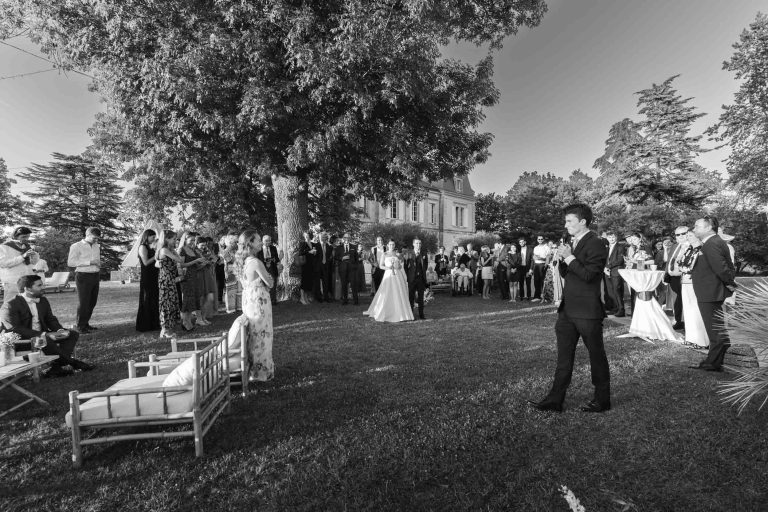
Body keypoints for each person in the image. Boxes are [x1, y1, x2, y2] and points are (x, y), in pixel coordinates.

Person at [529, 203, 611, 413]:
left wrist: (569, 257)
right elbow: (570, 275)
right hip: (568, 310)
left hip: (587, 311)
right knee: (563, 358)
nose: (566, 225)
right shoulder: (572, 243)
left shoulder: (597, 243)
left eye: (569, 221)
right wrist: (562, 262)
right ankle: (555, 399)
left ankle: (602, 399)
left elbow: (589, 276)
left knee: (596, 356)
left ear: (582, 221)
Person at [1, 274, 95, 377]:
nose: (43, 288)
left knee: (72, 334)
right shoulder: (10, 305)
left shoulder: (43, 300)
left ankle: (56, 368)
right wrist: (44, 335)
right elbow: (16, 329)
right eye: (39, 285)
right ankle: (75, 363)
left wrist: (59, 330)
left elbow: (50, 319)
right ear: (27, 289)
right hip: (22, 341)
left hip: (43, 336)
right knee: (45, 340)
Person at [689, 216, 737, 372]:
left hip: (710, 292)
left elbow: (722, 268)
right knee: (716, 327)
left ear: (709, 227)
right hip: (709, 291)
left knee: (714, 329)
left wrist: (730, 283)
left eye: (697, 226)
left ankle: (714, 363)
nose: (694, 229)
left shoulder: (712, 243)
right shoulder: (712, 242)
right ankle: (718, 358)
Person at [234, 230, 274, 381]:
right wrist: (271, 277)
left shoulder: (242, 262)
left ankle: (254, 371)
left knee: (253, 335)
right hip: (259, 301)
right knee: (263, 335)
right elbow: (269, 283)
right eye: (257, 240)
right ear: (250, 242)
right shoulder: (256, 262)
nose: (260, 242)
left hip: (248, 300)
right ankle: (261, 373)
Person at [364, 239, 414, 322]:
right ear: (387, 245)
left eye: (393, 244)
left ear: (395, 245)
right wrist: (388, 268)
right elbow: (381, 266)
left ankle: (401, 312)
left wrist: (397, 266)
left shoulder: (398, 254)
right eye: (390, 244)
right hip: (388, 274)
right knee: (387, 292)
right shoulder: (385, 254)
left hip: (397, 275)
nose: (392, 246)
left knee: (398, 292)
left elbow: (401, 266)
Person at [67, 227, 102, 333]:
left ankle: (86, 324)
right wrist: (90, 262)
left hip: (95, 275)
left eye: (98, 238)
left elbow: (97, 260)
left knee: (92, 302)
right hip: (83, 276)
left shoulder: (96, 246)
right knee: (84, 302)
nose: (96, 240)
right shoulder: (76, 246)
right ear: (88, 235)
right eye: (94, 238)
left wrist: (98, 265)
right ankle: (80, 326)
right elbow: (71, 262)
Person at [677, 231, 708, 348]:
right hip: (685, 282)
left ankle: (701, 340)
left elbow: (695, 266)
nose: (686, 237)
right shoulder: (688, 249)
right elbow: (679, 263)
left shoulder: (702, 249)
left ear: (697, 236)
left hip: (695, 282)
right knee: (688, 310)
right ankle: (691, 338)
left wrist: (684, 268)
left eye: (689, 235)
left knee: (696, 310)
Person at [177, 231, 208, 330]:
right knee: (187, 299)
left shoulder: (193, 250)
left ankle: (188, 321)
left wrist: (202, 264)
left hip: (195, 277)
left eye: (194, 240)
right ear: (185, 240)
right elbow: (181, 265)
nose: (193, 242)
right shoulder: (182, 250)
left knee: (193, 299)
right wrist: (195, 261)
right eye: (191, 240)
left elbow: (195, 266)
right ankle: (185, 322)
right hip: (186, 278)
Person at [155, 230, 183, 339]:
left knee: (171, 303)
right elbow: (179, 259)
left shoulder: (167, 250)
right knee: (167, 304)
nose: (175, 241)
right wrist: (175, 252)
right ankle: (165, 330)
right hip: (166, 280)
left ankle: (167, 330)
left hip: (169, 279)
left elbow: (158, 264)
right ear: (166, 239)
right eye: (173, 239)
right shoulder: (164, 250)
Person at [1, 226, 37, 303]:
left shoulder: (27, 247)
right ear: (15, 236)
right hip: (13, 281)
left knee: (29, 304)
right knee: (10, 305)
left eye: (28, 237)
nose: (26, 239)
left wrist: (34, 255)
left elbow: (33, 263)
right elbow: (4, 263)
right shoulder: (4, 247)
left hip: (27, 280)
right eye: (23, 236)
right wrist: (23, 257)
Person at [135, 229, 160, 332]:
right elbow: (145, 262)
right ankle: (145, 324)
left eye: (154, 237)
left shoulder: (151, 247)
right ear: (147, 237)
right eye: (152, 237)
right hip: (147, 276)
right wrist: (156, 255)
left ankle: (154, 323)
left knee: (154, 299)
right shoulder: (142, 247)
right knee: (147, 299)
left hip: (154, 275)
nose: (154, 238)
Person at [665, 227, 689, 330]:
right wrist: (666, 275)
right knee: (677, 301)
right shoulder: (675, 246)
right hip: (673, 278)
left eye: (683, 234)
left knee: (686, 300)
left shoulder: (692, 246)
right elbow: (669, 261)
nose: (680, 236)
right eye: (677, 235)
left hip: (685, 278)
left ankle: (687, 322)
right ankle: (679, 321)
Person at [405, 238, 429, 319]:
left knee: (421, 298)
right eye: (417, 243)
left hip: (421, 279)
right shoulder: (409, 253)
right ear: (413, 244)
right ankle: (411, 314)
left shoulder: (424, 254)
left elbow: (425, 265)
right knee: (411, 297)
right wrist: (408, 276)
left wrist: (422, 274)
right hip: (412, 279)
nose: (418, 245)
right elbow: (405, 266)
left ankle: (421, 315)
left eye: (420, 243)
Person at [603, 231, 626, 317]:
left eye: (613, 237)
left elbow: (620, 260)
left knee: (617, 291)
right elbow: (606, 259)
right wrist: (605, 268)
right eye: (609, 237)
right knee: (610, 292)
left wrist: (608, 266)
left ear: (616, 237)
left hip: (616, 272)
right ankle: (615, 308)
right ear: (607, 238)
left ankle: (621, 310)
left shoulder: (620, 246)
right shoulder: (607, 247)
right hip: (607, 272)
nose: (611, 239)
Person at [334, 232, 360, 305]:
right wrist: (342, 258)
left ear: (350, 238)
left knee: (353, 285)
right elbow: (335, 257)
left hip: (352, 270)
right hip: (342, 269)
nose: (346, 239)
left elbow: (357, 259)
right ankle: (345, 300)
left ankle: (356, 301)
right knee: (344, 285)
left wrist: (355, 267)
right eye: (345, 237)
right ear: (343, 238)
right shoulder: (339, 247)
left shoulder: (354, 247)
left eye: (348, 237)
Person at [256, 235, 281, 306]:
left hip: (272, 268)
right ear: (263, 241)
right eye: (266, 241)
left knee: (273, 283)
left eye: (269, 240)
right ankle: (264, 301)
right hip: (262, 268)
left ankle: (273, 301)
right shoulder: (259, 249)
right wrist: (264, 262)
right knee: (263, 284)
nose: (268, 242)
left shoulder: (273, 248)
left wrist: (276, 261)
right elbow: (257, 259)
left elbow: (276, 258)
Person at [298, 231, 317, 305]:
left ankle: (305, 298)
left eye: (308, 235)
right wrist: (309, 252)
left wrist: (314, 252)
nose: (307, 237)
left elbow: (315, 253)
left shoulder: (313, 244)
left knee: (308, 282)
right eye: (305, 236)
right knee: (304, 281)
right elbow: (300, 253)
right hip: (305, 265)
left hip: (311, 265)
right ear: (304, 236)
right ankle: (302, 298)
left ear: (310, 236)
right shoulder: (303, 243)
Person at [314, 232, 334, 302]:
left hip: (326, 267)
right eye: (322, 237)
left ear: (326, 238)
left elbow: (330, 257)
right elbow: (314, 256)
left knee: (326, 282)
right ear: (319, 238)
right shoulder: (316, 245)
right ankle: (319, 297)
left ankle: (326, 297)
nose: (323, 238)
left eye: (325, 237)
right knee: (317, 283)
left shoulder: (329, 247)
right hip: (318, 267)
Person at [532, 235, 551, 302]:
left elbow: (548, 258)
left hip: (543, 265)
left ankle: (544, 297)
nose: (540, 240)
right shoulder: (535, 248)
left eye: (541, 239)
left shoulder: (546, 247)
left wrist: (540, 258)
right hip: (536, 265)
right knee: (536, 281)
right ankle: (537, 296)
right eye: (539, 239)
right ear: (537, 240)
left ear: (543, 240)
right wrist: (535, 258)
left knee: (543, 281)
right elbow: (534, 257)